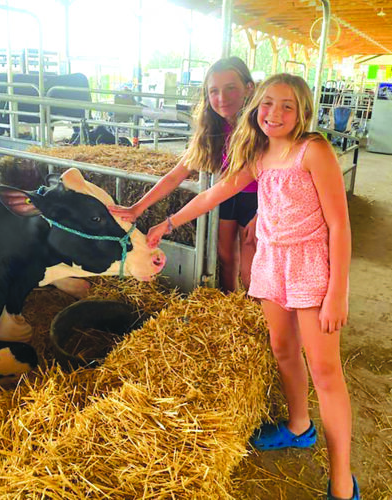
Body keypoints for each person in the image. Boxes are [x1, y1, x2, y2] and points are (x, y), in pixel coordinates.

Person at [146, 73, 359, 500]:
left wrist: (337, 292)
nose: (274, 113)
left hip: (310, 266)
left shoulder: (313, 150)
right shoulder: (259, 154)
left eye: (287, 105)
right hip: (271, 262)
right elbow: (214, 194)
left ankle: (341, 479)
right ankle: (299, 426)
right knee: (282, 349)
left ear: (302, 112)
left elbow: (339, 224)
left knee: (325, 371)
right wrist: (168, 223)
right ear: (255, 107)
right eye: (267, 103)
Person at [109, 56, 257, 292]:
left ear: (249, 88)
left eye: (231, 88)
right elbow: (175, 175)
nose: (222, 98)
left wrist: (263, 212)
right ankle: (231, 302)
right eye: (214, 91)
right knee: (226, 256)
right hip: (227, 196)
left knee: (250, 267)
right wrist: (138, 208)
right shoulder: (212, 129)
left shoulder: (260, 127)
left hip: (257, 199)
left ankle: (253, 308)